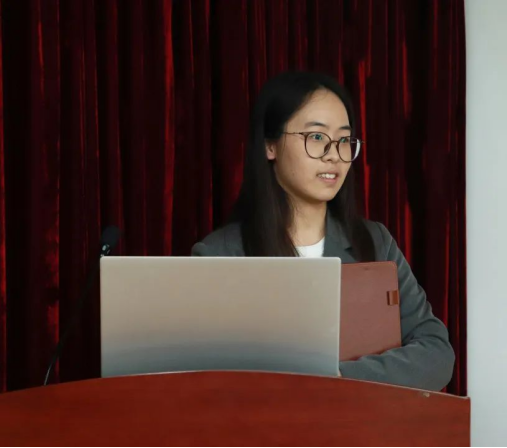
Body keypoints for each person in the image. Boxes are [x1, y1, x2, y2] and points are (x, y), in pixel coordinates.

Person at [191, 71, 454, 391]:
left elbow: (437, 352)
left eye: (343, 140)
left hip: (362, 420)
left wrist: (340, 381)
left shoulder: (375, 243)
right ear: (270, 145)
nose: (333, 154)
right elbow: (204, 378)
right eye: (316, 137)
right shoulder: (219, 255)